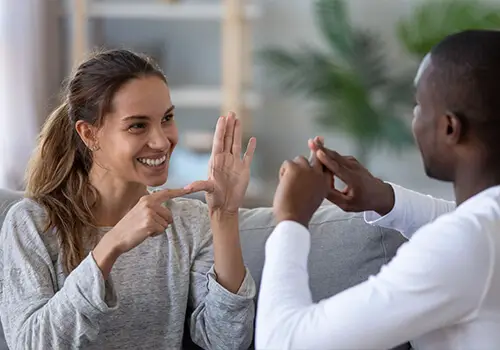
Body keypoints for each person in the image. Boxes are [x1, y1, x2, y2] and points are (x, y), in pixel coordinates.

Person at [256, 29, 500, 349]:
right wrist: (385, 198)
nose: (414, 118)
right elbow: (468, 220)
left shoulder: (464, 244)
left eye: (418, 106)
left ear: (450, 127)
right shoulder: (484, 227)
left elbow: (282, 342)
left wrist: (291, 219)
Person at [0, 49, 257, 349]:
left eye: (167, 118)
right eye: (137, 125)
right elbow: (31, 344)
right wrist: (111, 245)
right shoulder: (31, 223)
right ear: (89, 134)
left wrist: (225, 217)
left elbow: (227, 341)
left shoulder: (189, 222)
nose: (162, 141)